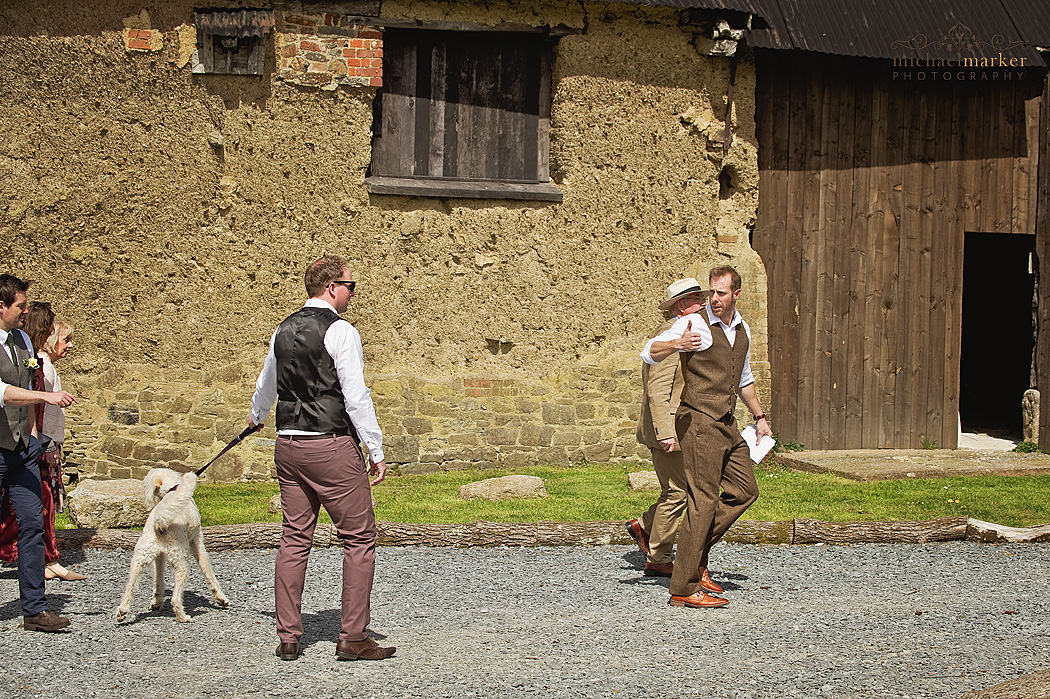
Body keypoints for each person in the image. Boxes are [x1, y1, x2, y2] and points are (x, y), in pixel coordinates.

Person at [248, 255, 395, 662]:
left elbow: (267, 383)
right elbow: (355, 394)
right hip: (329, 444)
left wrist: (258, 417)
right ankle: (352, 636)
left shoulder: (283, 328)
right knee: (360, 538)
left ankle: (289, 637)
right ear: (331, 287)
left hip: (288, 444)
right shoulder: (341, 331)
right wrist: (376, 449)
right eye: (350, 285)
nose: (352, 293)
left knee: (295, 538)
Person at [641, 265, 771, 609]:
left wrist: (759, 418)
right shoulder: (695, 323)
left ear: (736, 295)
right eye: (710, 292)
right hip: (697, 420)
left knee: (745, 491)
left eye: (720, 293)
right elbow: (649, 351)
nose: (713, 299)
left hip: (726, 422)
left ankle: (693, 556)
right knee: (703, 499)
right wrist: (676, 343)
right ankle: (683, 587)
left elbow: (743, 379)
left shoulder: (741, 329)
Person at [0, 274, 77, 631]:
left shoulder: (23, 343)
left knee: (32, 525)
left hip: (21, 449)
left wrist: (33, 438)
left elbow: (25, 386)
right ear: (1, 306)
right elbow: (2, 391)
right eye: (20, 305)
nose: (25, 311)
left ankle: (34, 609)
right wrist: (46, 398)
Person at [626, 278, 706, 580]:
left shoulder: (684, 332)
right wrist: (666, 432)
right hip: (667, 428)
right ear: (681, 306)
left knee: (678, 489)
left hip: (674, 425)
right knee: (677, 492)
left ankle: (645, 526)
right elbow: (657, 389)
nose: (703, 304)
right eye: (697, 299)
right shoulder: (670, 337)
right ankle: (658, 557)